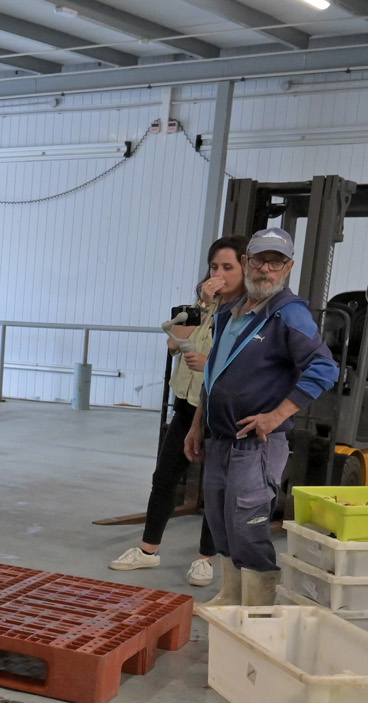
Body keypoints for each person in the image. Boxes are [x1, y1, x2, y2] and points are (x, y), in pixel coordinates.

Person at [184, 226, 339, 606]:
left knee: (247, 526)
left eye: (276, 262)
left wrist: (277, 415)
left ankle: (257, 609)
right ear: (247, 262)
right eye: (259, 261)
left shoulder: (288, 314)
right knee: (221, 521)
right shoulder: (231, 311)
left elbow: (325, 368)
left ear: (289, 267)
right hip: (221, 439)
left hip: (257, 444)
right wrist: (197, 424)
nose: (266, 270)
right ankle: (231, 595)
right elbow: (214, 373)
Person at [110, 236, 246, 586]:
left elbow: (249, 362)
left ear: (245, 269)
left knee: (214, 485)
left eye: (227, 267)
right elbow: (174, 341)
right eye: (214, 267)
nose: (218, 274)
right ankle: (147, 550)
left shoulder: (249, 314)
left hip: (221, 408)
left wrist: (209, 362)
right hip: (187, 404)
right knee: (165, 476)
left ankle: (205, 559)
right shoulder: (200, 306)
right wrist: (203, 302)